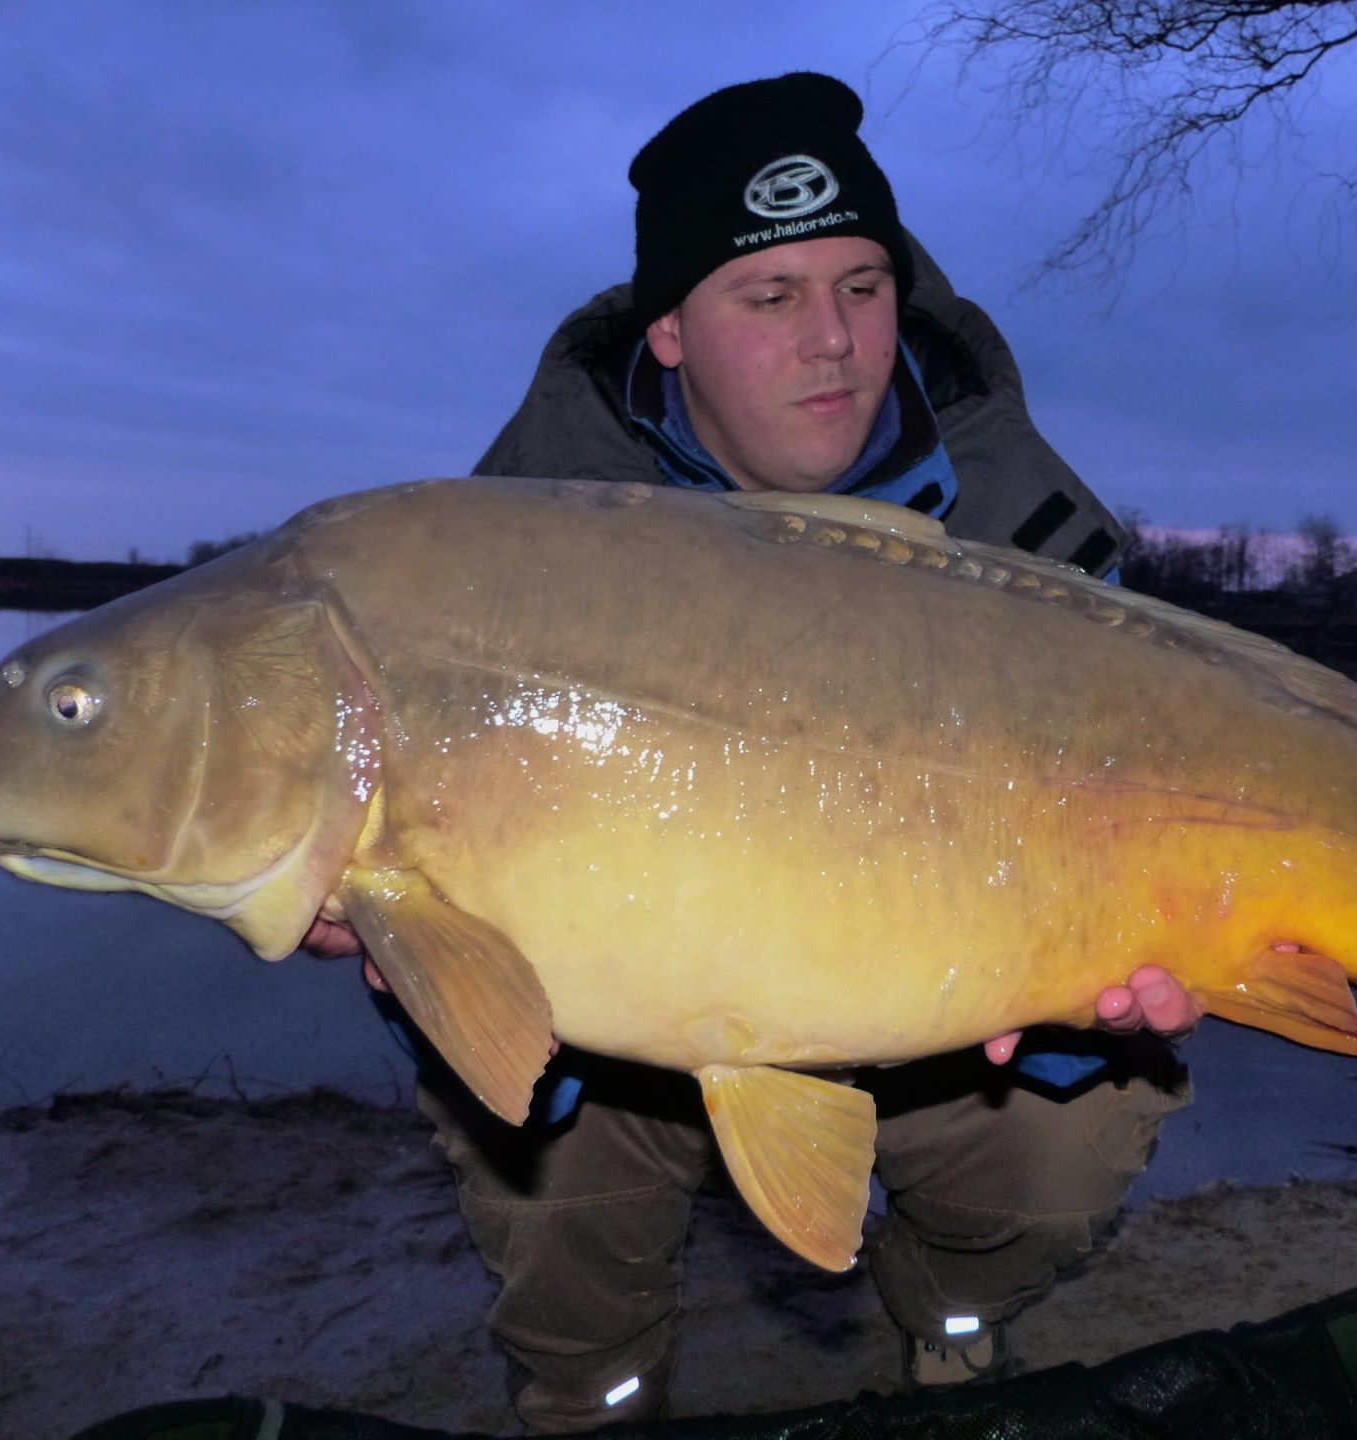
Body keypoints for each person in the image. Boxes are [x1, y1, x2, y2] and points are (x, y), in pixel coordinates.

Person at [306, 72, 1198, 1434]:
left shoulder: (1029, 531)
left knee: (1076, 1127)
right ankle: (594, 1395)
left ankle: (949, 1324)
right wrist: (369, 910)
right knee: (542, 1160)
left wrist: (1107, 987)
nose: (832, 341)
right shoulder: (516, 537)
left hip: (946, 1012)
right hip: (617, 1032)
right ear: (667, 329)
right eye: (768, 298)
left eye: (860, 285)